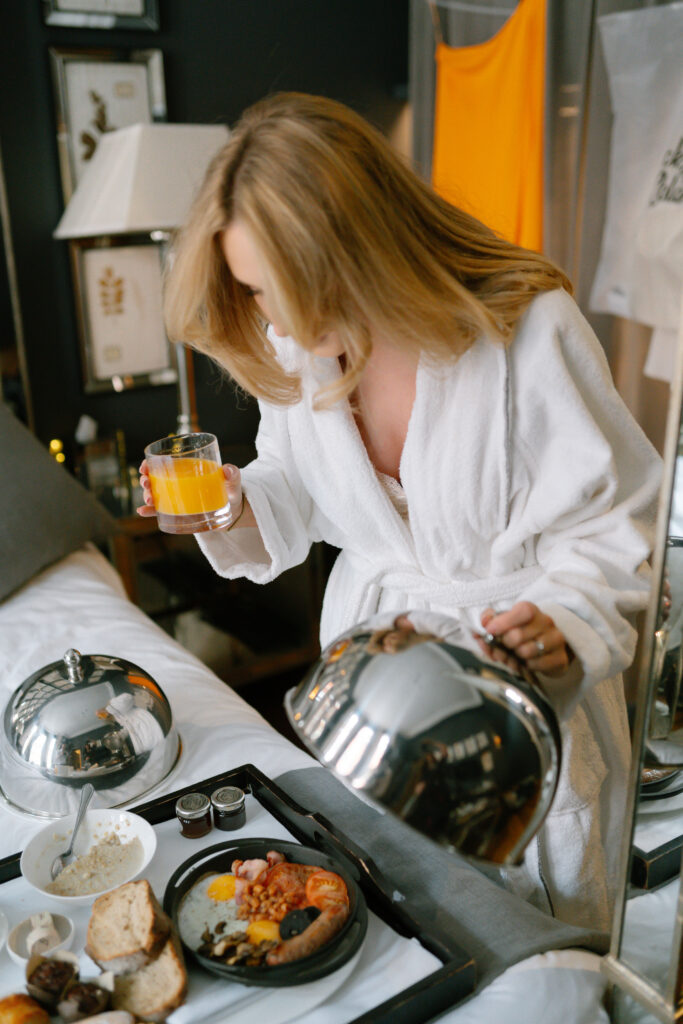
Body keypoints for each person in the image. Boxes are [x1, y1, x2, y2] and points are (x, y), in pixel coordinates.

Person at [138, 92, 661, 931]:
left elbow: (622, 520)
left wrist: (566, 618)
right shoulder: (299, 345)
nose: (270, 319)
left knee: (549, 944)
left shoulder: (524, 333)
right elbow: (302, 488)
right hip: (375, 692)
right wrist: (233, 506)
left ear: (357, 253)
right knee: (409, 921)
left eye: (279, 290)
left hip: (515, 693)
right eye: (253, 289)